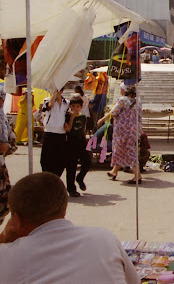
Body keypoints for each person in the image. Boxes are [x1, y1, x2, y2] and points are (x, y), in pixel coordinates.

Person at [0, 172, 139, 283]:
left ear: (16, 220)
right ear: (64, 208)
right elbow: (134, 281)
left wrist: (4, 239)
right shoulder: (104, 237)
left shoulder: (8, 256)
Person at [98, 83, 143, 184]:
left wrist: (102, 119)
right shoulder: (138, 102)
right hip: (134, 130)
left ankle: (138, 176)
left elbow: (113, 113)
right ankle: (114, 171)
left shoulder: (122, 100)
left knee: (126, 151)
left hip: (123, 131)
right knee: (123, 150)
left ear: (124, 90)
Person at [64, 97, 90, 197]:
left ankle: (80, 178)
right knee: (71, 166)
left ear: (81, 107)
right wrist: (72, 117)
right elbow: (68, 129)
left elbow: (83, 129)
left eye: (77, 106)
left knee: (87, 162)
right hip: (71, 141)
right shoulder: (67, 116)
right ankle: (71, 188)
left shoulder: (83, 117)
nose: (75, 108)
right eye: (73, 106)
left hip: (81, 141)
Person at [40, 90, 70, 177]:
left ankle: (56, 177)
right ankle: (46, 177)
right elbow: (49, 106)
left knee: (60, 159)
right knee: (46, 158)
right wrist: (53, 96)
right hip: (49, 132)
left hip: (61, 133)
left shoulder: (66, 103)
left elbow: (68, 115)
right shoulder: (47, 100)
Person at [0, 87, 15, 225]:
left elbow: (13, 141)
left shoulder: (4, 119)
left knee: (4, 204)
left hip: (1, 168)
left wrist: (7, 147)